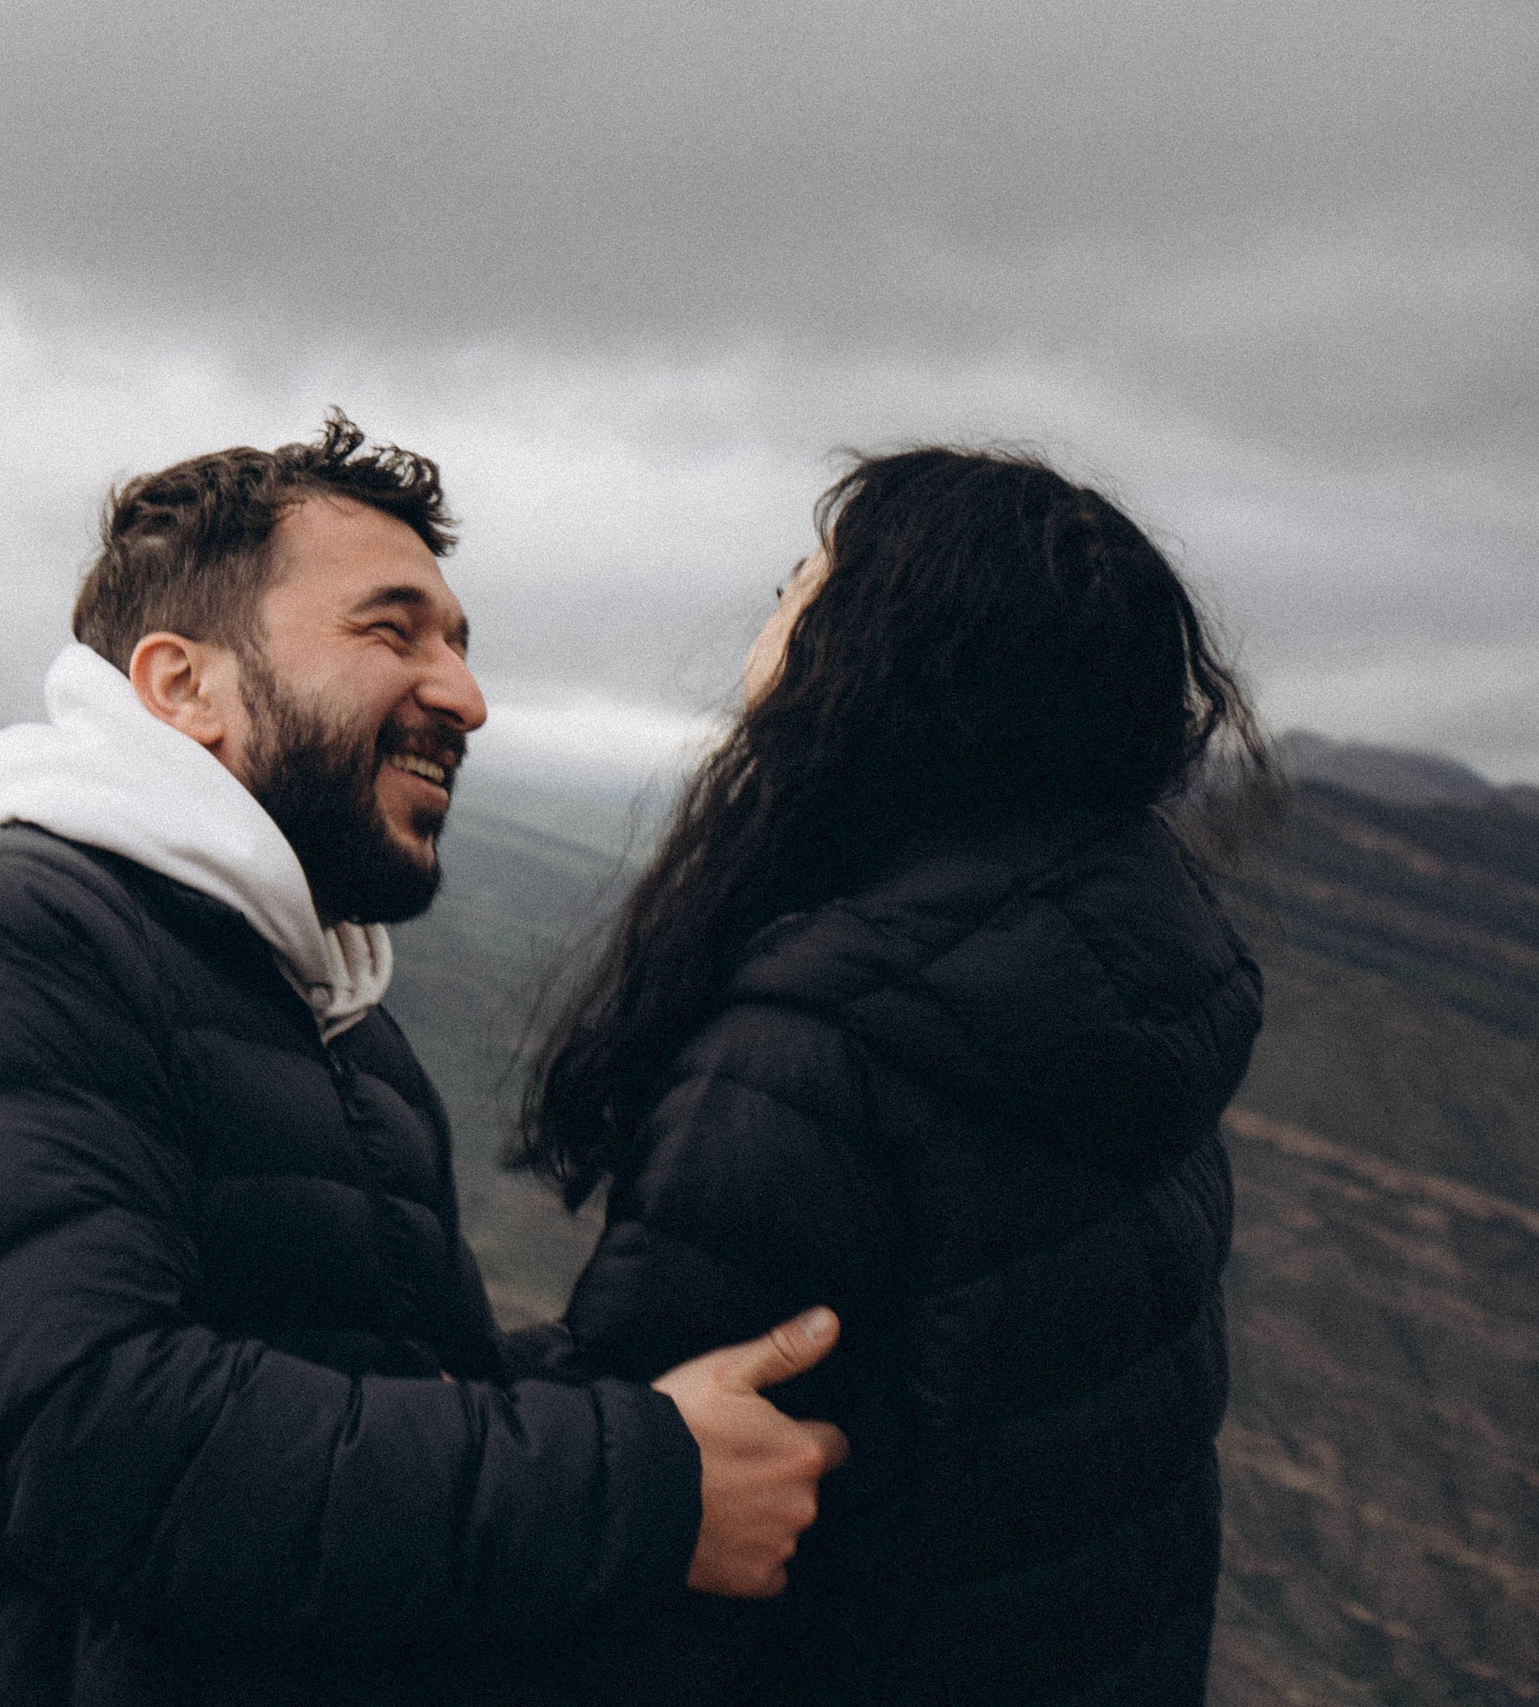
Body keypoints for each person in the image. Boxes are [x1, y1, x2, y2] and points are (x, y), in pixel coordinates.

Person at [0, 414, 849, 1707]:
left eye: (461, 642)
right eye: (390, 628)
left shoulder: (309, 999)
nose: (465, 693)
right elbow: (103, 1439)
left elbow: (366, 1390)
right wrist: (641, 1477)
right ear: (180, 683)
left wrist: (655, 1379)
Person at [511, 446, 1268, 1704]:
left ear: (878, 649)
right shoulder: (1127, 994)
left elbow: (650, 1515)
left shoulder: (815, 1057)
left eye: (799, 585)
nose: (770, 615)